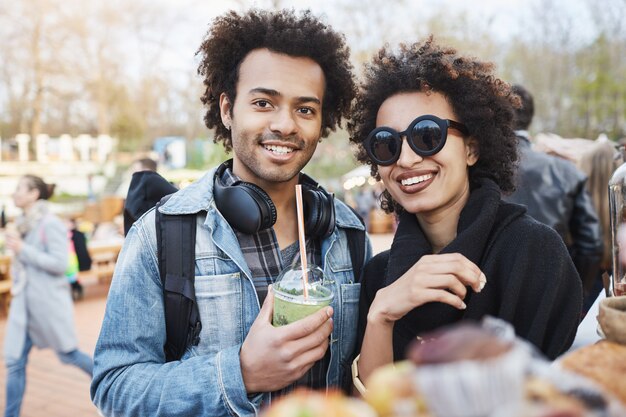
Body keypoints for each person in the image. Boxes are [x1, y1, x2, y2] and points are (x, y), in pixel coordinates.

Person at [91, 9, 371, 417]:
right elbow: (115, 388)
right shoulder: (162, 233)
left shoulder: (347, 232)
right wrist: (241, 374)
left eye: (305, 109)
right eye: (263, 103)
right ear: (227, 109)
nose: (285, 124)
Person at [347, 37, 582, 389]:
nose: (406, 159)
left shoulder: (533, 253)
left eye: (427, 136)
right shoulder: (380, 275)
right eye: (386, 143)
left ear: (472, 149)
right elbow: (374, 405)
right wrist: (381, 315)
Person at [4, 175, 93, 417]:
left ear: (34, 194)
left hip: (46, 304)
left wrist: (23, 249)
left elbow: (59, 263)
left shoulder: (49, 223)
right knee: (13, 362)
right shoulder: (21, 224)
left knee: (70, 354)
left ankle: (112, 384)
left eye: (19, 189)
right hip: (23, 305)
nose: (15, 193)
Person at [505, 84, 602, 302]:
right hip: (554, 292)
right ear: (529, 117)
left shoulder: (477, 168)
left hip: (492, 294)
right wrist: (577, 296)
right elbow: (591, 244)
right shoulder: (567, 172)